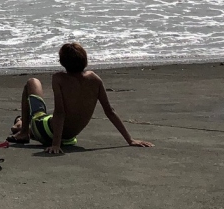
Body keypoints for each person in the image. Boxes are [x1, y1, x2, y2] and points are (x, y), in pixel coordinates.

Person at [8, 42, 153, 155]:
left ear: (62, 62)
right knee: (42, 118)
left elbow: (60, 112)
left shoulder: (59, 78)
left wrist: (55, 144)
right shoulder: (95, 79)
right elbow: (110, 111)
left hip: (46, 131)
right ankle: (21, 125)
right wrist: (130, 140)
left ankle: (23, 130)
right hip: (70, 139)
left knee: (32, 83)